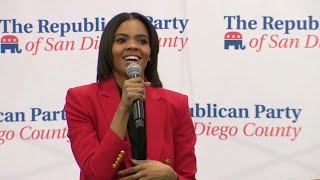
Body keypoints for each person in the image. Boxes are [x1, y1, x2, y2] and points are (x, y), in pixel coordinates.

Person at [64, 12, 197, 180]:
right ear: (108, 49)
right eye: (121, 40)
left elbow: (187, 175)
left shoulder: (176, 103)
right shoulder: (81, 99)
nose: (133, 46)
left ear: (150, 52)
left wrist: (172, 177)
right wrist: (123, 107)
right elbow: (95, 174)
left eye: (142, 41)